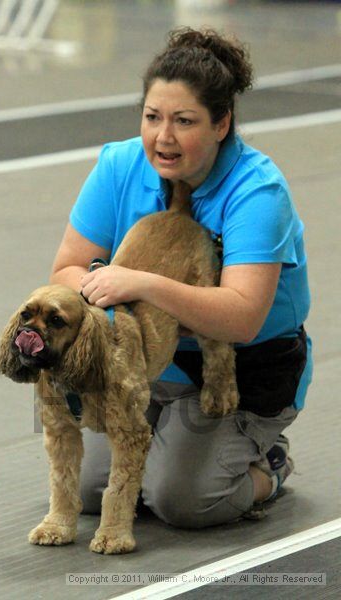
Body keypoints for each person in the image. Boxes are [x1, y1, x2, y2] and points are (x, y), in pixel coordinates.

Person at [50, 27, 313, 527]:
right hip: (146, 365)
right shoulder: (120, 165)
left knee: (181, 502)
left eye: (184, 121)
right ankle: (173, 444)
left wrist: (141, 284)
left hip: (247, 369)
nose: (162, 137)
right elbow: (65, 270)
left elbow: (241, 319)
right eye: (152, 117)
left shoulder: (258, 191)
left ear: (221, 124)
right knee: (90, 490)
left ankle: (269, 464)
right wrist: (99, 294)